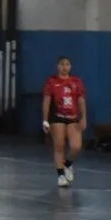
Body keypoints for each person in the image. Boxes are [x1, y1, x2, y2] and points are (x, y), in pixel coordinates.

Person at [42, 56, 87, 187]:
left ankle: (68, 164)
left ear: (70, 67)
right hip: (57, 117)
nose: (64, 67)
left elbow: (81, 100)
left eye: (67, 64)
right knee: (59, 145)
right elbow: (46, 101)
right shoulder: (51, 81)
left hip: (72, 117)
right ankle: (61, 175)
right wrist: (45, 120)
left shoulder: (76, 81)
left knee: (76, 146)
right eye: (62, 64)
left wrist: (84, 117)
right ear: (57, 66)